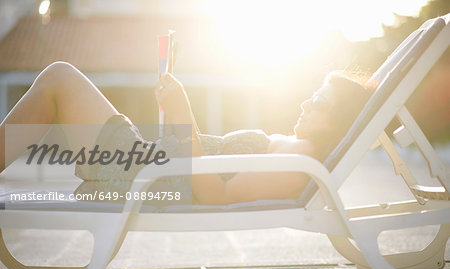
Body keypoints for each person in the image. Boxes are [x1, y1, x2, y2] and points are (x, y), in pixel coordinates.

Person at [0, 61, 372, 205]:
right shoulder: (299, 152)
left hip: (142, 172)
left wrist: (184, 113)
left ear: (338, 123)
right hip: (148, 163)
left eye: (319, 103)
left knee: (59, 77)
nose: (306, 105)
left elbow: (216, 192)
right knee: (58, 79)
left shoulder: (301, 160)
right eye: (311, 96)